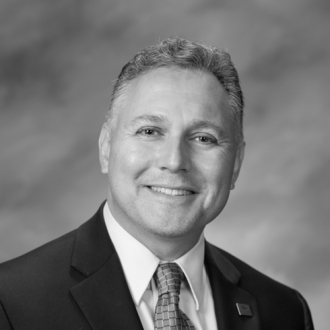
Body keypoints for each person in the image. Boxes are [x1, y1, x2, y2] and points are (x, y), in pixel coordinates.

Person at [0, 37, 314, 330]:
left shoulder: (284, 312)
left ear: (236, 164)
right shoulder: (11, 301)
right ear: (106, 147)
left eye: (204, 138)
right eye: (150, 131)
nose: (175, 160)